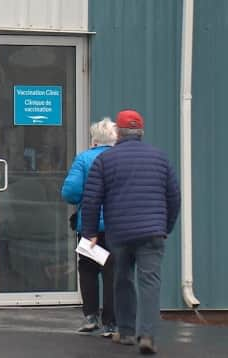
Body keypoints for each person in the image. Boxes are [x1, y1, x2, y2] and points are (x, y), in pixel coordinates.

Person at [81, 109, 180, 355]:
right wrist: (166, 226)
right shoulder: (160, 158)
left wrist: (91, 231)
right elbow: (174, 196)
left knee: (122, 279)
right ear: (141, 132)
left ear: (118, 133)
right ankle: (147, 335)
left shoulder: (105, 160)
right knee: (150, 282)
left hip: (120, 233)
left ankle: (125, 332)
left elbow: (92, 199)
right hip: (152, 233)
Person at [61, 118, 116, 337]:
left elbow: (70, 192)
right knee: (112, 272)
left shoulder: (84, 159)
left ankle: (90, 316)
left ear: (94, 140)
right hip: (116, 226)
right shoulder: (119, 158)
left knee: (88, 269)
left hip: (89, 226)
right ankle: (111, 323)